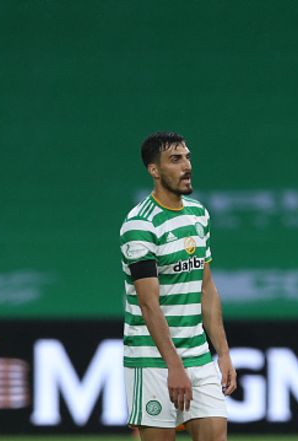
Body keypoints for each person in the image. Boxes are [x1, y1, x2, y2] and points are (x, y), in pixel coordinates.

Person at [119, 132, 237, 441]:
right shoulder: (140, 225)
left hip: (198, 355)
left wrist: (223, 353)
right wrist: (173, 366)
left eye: (187, 157)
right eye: (175, 159)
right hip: (152, 360)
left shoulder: (198, 214)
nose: (187, 166)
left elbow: (206, 288)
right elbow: (149, 304)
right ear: (154, 170)